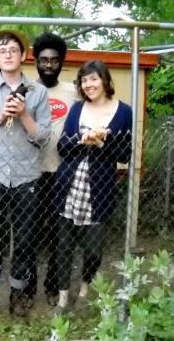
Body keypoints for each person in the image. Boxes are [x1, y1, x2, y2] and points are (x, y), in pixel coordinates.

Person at [0, 29, 51, 317]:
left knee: (25, 240)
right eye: (2, 50)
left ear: (23, 55)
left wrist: (25, 114)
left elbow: (43, 138)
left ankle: (17, 294)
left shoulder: (39, 92)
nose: (7, 54)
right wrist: (1, 115)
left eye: (13, 50)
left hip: (27, 176)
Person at [53, 60, 132, 314]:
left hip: (100, 189)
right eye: (84, 80)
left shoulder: (124, 112)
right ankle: (63, 298)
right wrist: (82, 139)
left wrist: (100, 143)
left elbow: (125, 154)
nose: (88, 84)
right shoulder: (77, 109)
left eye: (93, 79)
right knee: (64, 246)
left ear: (105, 80)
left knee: (94, 249)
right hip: (69, 186)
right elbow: (62, 147)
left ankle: (84, 290)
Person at [24, 33, 78, 307]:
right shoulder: (28, 90)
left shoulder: (72, 91)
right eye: (43, 60)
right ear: (36, 61)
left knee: (60, 234)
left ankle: (54, 286)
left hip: (63, 172)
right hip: (32, 172)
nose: (48, 64)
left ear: (61, 62)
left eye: (54, 60)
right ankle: (29, 288)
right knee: (29, 233)